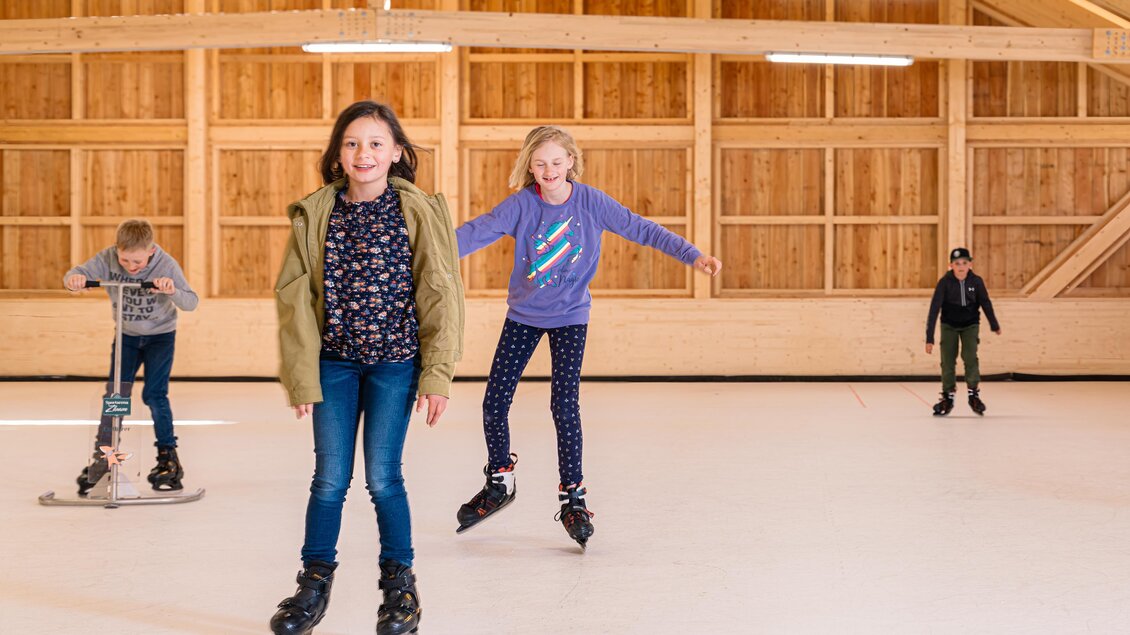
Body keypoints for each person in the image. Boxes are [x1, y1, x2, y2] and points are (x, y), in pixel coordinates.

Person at [452, 125, 721, 549]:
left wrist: (694, 255)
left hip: (570, 318)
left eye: (557, 162)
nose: (549, 170)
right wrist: (422, 251)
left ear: (571, 162)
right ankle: (500, 480)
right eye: (540, 164)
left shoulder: (592, 203)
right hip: (524, 316)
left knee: (564, 404)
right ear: (530, 166)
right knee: (495, 399)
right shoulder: (522, 205)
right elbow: (474, 232)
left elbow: (642, 228)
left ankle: (572, 497)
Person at [269, 100, 463, 635]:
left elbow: (442, 295)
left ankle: (399, 585)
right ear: (337, 153)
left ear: (397, 152)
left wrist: (437, 375)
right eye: (352, 143)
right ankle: (313, 583)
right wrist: (301, 375)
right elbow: (294, 300)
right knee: (329, 479)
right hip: (333, 364)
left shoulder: (417, 211)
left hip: (396, 366)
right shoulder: (317, 212)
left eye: (376, 143)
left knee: (383, 478)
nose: (364, 153)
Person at [63, 218, 199, 494]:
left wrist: (171, 290)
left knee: (154, 395)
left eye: (137, 262)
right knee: (116, 394)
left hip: (160, 336)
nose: (131, 268)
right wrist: (74, 281)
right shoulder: (108, 258)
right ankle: (104, 457)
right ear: (117, 250)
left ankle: (168, 459)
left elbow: (191, 301)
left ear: (150, 251)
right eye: (125, 261)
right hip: (126, 336)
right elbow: (73, 275)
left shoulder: (166, 263)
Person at [925, 247, 1001, 416]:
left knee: (970, 356)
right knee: (947, 359)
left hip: (970, 325)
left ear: (970, 264)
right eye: (957, 263)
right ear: (951, 265)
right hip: (949, 326)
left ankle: (973, 394)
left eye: (964, 263)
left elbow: (985, 303)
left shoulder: (976, 282)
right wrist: (929, 338)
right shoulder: (945, 283)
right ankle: (948, 396)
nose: (961, 266)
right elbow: (934, 309)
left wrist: (994, 324)